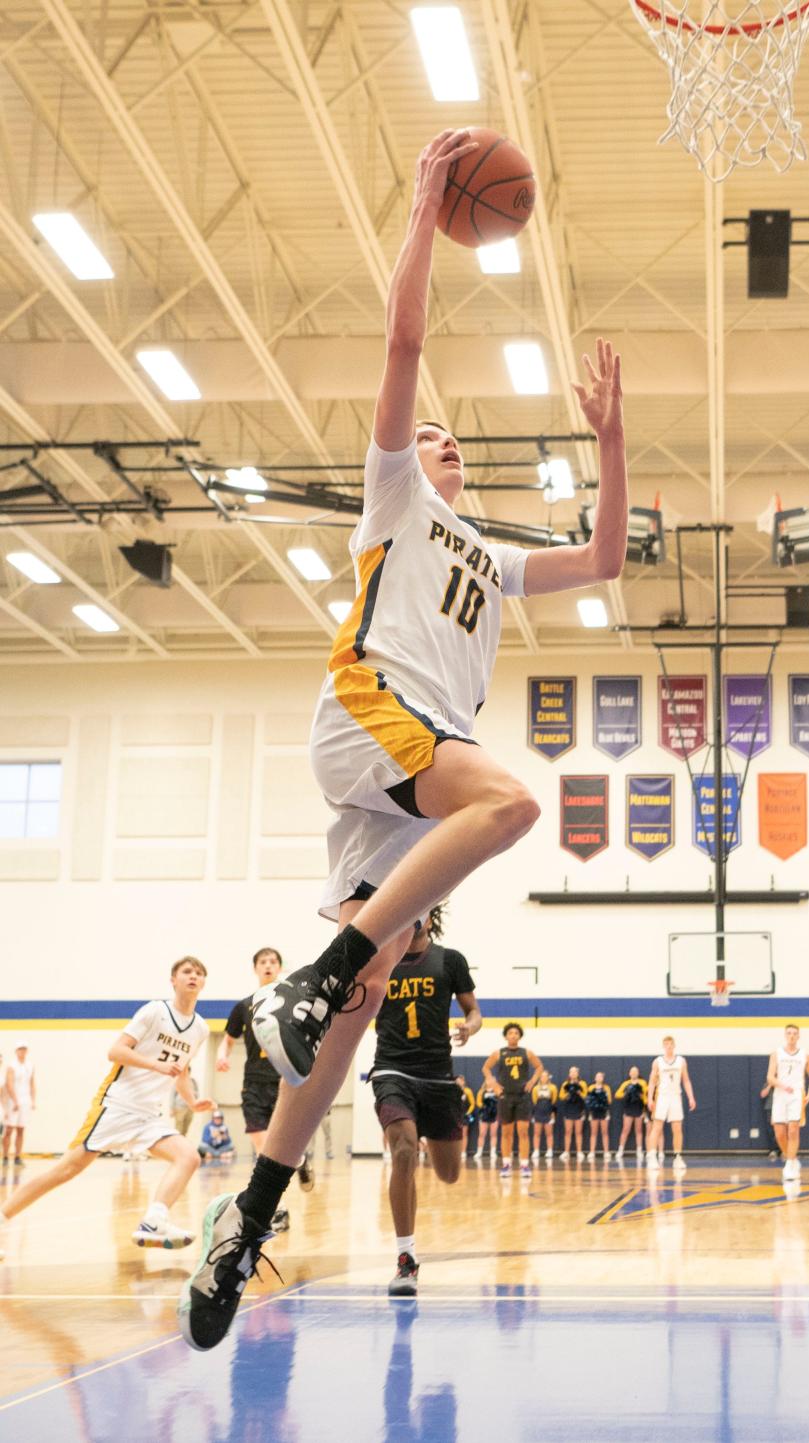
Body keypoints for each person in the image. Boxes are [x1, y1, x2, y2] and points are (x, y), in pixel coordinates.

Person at [178, 127, 627, 1353]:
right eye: (431, 437)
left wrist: (609, 443)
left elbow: (604, 557)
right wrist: (427, 210)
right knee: (515, 806)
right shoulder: (394, 501)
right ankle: (313, 985)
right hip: (373, 707)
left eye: (453, 442)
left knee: (367, 993)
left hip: (410, 766)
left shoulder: (486, 552)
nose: (444, 443)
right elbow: (406, 342)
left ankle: (247, 1213)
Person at [0, 958, 212, 1260]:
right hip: (116, 1104)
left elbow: (183, 1069)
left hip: (149, 1114)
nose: (194, 976)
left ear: (204, 982)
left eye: (199, 973)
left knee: (188, 1157)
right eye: (187, 972)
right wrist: (155, 1064)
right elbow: (115, 1051)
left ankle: (154, 1221)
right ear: (173, 980)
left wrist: (192, 1101)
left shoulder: (200, 1029)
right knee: (65, 1170)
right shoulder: (155, 1011)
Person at [369, 905, 481, 1296]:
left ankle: (440, 1138)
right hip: (391, 1069)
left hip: (437, 1075)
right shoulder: (382, 960)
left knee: (448, 1174)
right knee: (403, 1149)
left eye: (419, 910)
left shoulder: (450, 960)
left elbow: (474, 1011)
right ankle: (406, 1258)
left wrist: (469, 1026)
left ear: (430, 917)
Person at [218, 947, 314, 1224]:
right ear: (255, 968)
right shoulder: (244, 1005)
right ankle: (278, 1208)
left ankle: (299, 1160)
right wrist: (223, 1056)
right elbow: (228, 1039)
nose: (268, 965)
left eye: (273, 961)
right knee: (265, 1150)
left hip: (285, 1081)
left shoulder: (292, 1001)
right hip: (254, 1084)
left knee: (281, 1146)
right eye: (263, 962)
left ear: (280, 967)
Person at [482, 1023, 542, 1179]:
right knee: (506, 1133)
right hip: (505, 1096)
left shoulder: (526, 1053)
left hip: (522, 1096)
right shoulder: (499, 1053)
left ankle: (524, 1165)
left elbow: (539, 1067)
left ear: (519, 1036)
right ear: (506, 1036)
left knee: (523, 1132)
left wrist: (532, 1082)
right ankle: (506, 1164)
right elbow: (486, 1068)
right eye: (510, 1033)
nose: (513, 1035)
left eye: (516, 1033)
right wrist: (493, 1083)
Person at [762, 1024, 809, 1183]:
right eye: (789, 1033)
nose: (792, 1036)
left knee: (793, 1130)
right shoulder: (776, 1054)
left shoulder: (806, 1055)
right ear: (785, 1035)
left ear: (798, 1036)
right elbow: (769, 1078)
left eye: (795, 1033)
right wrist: (781, 1085)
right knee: (779, 1133)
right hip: (780, 1095)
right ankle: (792, 1159)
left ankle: (788, 1165)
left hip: (797, 1095)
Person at [647, 1038, 696, 1174]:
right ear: (663, 1046)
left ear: (674, 1045)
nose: (668, 1046)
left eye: (670, 1044)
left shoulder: (681, 1061)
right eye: (666, 1044)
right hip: (661, 1096)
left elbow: (686, 1080)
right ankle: (652, 1156)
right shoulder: (658, 1061)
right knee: (656, 1127)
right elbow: (652, 1082)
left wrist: (691, 1097)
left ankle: (678, 1157)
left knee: (677, 1128)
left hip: (676, 1096)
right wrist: (650, 1098)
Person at [2, 1043, 35, 1167]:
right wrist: (15, 1101)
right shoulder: (11, 1066)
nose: (22, 1051)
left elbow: (32, 1083)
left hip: (25, 1101)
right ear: (16, 1051)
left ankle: (17, 1156)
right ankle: (5, 1156)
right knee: (9, 1130)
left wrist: (33, 1100)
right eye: (20, 1049)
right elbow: (9, 1085)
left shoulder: (30, 1065)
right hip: (13, 1102)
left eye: (24, 1049)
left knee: (21, 1129)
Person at [615, 1066, 648, 1161]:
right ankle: (620, 1150)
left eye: (635, 1072)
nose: (633, 1073)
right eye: (632, 1072)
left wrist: (640, 1095)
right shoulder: (626, 1083)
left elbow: (646, 1094)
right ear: (629, 1074)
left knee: (638, 1130)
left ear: (638, 1073)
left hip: (638, 1108)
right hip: (628, 1109)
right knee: (625, 1130)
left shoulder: (642, 1083)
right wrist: (626, 1093)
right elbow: (617, 1094)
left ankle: (639, 1150)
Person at [558, 1067, 587, 1161]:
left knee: (578, 1132)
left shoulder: (582, 1084)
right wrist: (568, 1094)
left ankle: (579, 1152)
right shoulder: (565, 1084)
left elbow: (585, 1096)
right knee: (568, 1131)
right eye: (571, 1072)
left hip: (579, 1109)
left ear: (578, 1073)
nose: (573, 1073)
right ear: (569, 1074)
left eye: (575, 1072)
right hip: (568, 1109)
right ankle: (566, 1152)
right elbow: (561, 1096)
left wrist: (579, 1092)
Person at [584, 1072, 613, 1160]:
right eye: (597, 1076)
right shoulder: (591, 1087)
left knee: (605, 1132)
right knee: (593, 1132)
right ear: (595, 1078)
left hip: (604, 1112)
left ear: (603, 1078)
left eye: (601, 1076)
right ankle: (592, 1151)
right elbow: (588, 1100)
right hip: (594, 1112)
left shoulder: (606, 1088)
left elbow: (609, 1101)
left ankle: (606, 1152)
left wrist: (602, 1099)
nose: (599, 1078)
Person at [531, 1072, 557, 1161]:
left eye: (545, 1076)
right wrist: (534, 1113)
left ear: (548, 1077)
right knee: (537, 1133)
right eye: (542, 1076)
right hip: (538, 1111)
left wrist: (552, 1115)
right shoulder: (535, 1088)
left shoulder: (553, 1087)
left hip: (548, 1111)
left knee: (549, 1133)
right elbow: (534, 1101)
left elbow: (554, 1101)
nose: (543, 1078)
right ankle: (536, 1150)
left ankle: (549, 1150)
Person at [474, 1083, 499, 1162]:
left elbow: (500, 1100)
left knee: (493, 1134)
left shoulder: (496, 1091)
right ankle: (479, 1152)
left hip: (494, 1114)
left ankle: (493, 1151)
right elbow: (478, 1102)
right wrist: (484, 1107)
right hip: (484, 1114)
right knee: (482, 1133)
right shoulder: (481, 1091)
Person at [457, 1075, 476, 1160]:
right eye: (457, 1081)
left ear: (463, 1082)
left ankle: (463, 1151)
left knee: (464, 1134)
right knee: (456, 1134)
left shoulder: (467, 1091)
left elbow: (472, 1104)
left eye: (460, 1081)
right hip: (456, 1115)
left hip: (464, 1115)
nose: (458, 1082)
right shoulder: (454, 1091)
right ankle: (456, 1151)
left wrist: (467, 1113)